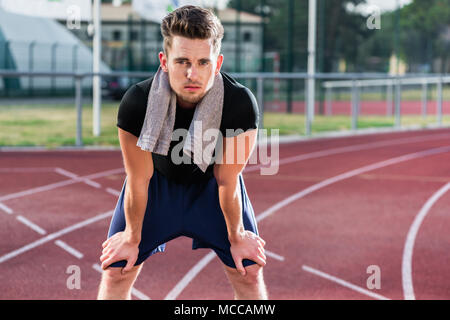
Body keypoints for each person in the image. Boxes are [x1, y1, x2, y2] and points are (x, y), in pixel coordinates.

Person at [97, 5, 267, 300]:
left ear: (218, 63)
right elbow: (138, 178)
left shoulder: (239, 104)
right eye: (182, 61)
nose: (192, 73)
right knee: (116, 269)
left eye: (203, 62)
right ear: (164, 61)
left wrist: (238, 237)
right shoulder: (137, 102)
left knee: (248, 271)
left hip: (212, 187)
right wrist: (131, 237)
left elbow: (228, 180)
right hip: (155, 187)